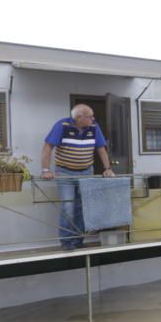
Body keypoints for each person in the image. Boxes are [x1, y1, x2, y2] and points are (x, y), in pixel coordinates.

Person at [40, 104, 116, 250]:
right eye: (90, 116)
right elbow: (48, 147)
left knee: (83, 207)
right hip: (65, 172)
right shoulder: (62, 125)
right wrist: (45, 170)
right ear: (79, 117)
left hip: (86, 172)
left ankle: (77, 240)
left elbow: (101, 149)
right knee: (68, 206)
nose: (93, 119)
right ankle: (66, 242)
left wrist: (108, 169)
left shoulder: (94, 127)